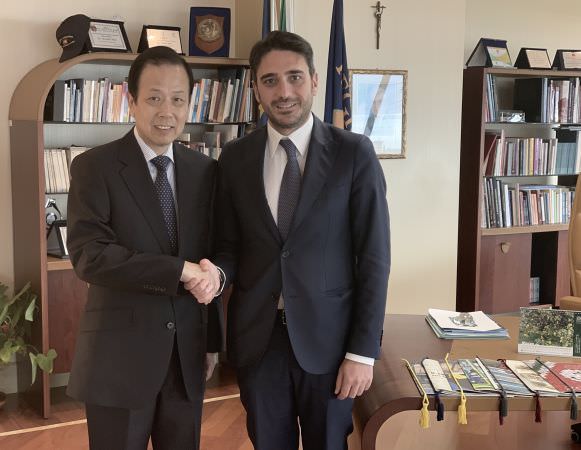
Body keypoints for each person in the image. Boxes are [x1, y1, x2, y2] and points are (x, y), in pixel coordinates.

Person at [198, 31, 390, 449]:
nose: (284, 92)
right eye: (270, 81)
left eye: (295, 77)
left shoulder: (354, 154)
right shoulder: (235, 158)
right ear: (255, 89)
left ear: (315, 80)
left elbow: (374, 258)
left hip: (331, 343)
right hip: (258, 342)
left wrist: (362, 352)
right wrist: (217, 273)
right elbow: (229, 248)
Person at [66, 46, 223, 450]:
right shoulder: (94, 167)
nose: (167, 112)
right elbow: (89, 256)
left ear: (190, 103)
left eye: (178, 99)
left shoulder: (205, 171)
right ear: (131, 100)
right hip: (118, 361)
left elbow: (212, 254)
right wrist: (178, 270)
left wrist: (210, 343)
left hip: (185, 358)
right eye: (154, 98)